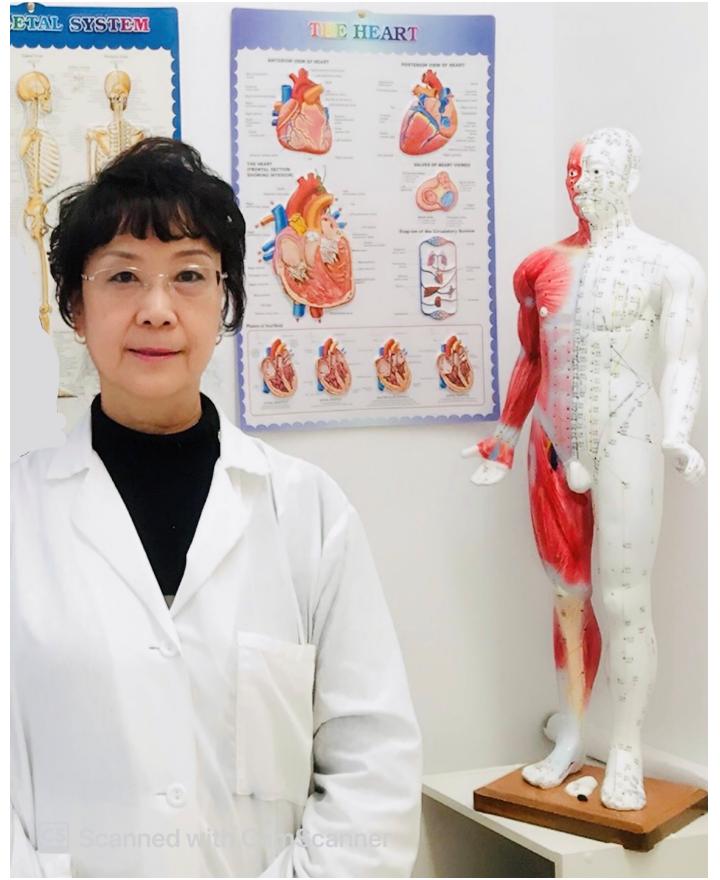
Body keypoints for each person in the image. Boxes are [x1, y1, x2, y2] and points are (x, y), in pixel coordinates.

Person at [11, 138, 422, 877]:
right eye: (123, 276)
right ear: (75, 306)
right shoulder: (16, 516)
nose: (157, 310)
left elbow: (373, 767)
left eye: (190, 276)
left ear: (225, 301)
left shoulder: (307, 511)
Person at [462, 128, 705, 810]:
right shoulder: (539, 267)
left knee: (626, 599)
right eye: (577, 173)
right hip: (553, 440)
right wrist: (504, 440)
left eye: (598, 172)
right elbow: (532, 358)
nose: (584, 185)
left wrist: (679, 433)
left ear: (630, 178)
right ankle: (571, 734)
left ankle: (625, 748)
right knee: (567, 595)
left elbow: (683, 359)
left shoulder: (671, 267)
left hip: (629, 434)